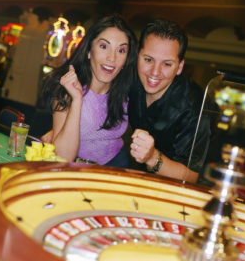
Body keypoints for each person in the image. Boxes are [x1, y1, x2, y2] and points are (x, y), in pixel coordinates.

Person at [42, 14, 137, 168]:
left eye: (121, 50)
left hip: (117, 168)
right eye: (104, 46)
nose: (111, 58)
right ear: (88, 50)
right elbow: (63, 157)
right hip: (77, 171)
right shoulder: (68, 88)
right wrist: (77, 100)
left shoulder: (126, 91)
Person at [128, 19, 210, 183]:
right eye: (148, 59)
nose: (155, 72)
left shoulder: (195, 108)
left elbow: (191, 177)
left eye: (167, 64)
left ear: (179, 67)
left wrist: (152, 157)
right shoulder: (131, 78)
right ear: (138, 55)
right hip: (136, 176)